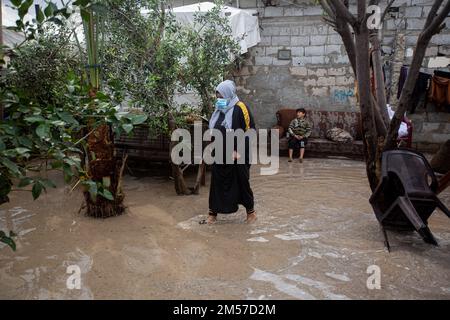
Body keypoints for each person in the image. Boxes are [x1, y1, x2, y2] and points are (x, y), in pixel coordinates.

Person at [204, 80, 256, 225]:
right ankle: (212, 214)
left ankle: (251, 213)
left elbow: (250, 132)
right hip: (220, 152)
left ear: (228, 94)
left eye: (221, 95)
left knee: (242, 182)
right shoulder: (219, 107)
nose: (218, 99)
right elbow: (215, 126)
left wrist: (238, 151)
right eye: (217, 96)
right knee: (217, 182)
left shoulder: (241, 108)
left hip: (238, 155)